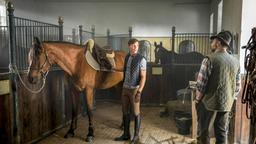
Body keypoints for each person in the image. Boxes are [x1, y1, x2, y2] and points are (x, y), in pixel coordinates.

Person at [195, 31, 240, 144]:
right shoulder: (236, 62)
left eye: (213, 40)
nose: (212, 42)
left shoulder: (209, 59)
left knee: (204, 133)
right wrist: (229, 99)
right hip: (226, 104)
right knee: (222, 133)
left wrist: (197, 100)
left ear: (218, 43)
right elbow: (237, 87)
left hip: (208, 104)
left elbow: (201, 85)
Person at [114, 38, 147, 144]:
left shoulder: (142, 59)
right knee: (125, 111)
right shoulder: (127, 57)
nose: (135, 47)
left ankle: (136, 136)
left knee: (136, 113)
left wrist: (139, 92)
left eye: (136, 45)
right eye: (132, 45)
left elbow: (143, 77)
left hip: (135, 89)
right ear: (129, 46)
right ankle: (126, 134)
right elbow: (126, 71)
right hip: (125, 88)